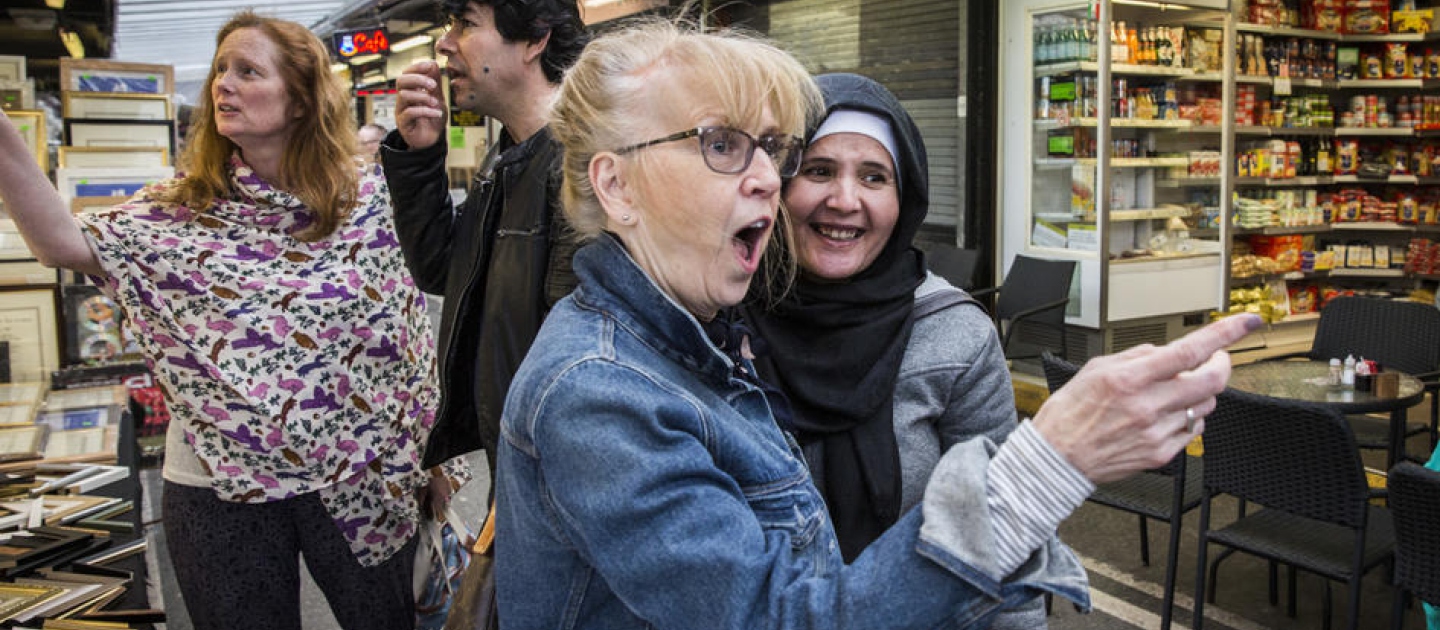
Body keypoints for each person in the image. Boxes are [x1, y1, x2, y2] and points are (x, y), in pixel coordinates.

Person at [494, 18, 1261, 629]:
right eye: (722, 145)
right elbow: (782, 613)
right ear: (615, 185)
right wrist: (1048, 461)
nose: (770, 176)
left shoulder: (702, 335)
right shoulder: (603, 391)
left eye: (772, 147)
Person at [0, 12, 453, 630]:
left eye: (247, 71)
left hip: (359, 480)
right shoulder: (181, 213)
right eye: (220, 70)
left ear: (300, 99)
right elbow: (61, 243)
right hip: (220, 487)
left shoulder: (370, 202)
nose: (223, 85)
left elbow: (409, 343)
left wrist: (434, 457)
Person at [742, 72, 1048, 627]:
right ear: (776, 182)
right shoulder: (719, 316)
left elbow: (1001, 533)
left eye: (874, 177)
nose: (845, 200)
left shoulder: (953, 335)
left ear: (904, 199)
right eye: (818, 170)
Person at [381, 0, 589, 475]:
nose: (444, 43)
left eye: (466, 24)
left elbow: (576, 372)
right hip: (516, 461)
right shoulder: (510, 155)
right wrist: (420, 156)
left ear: (536, 39)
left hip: (550, 470)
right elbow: (443, 270)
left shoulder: (577, 168)